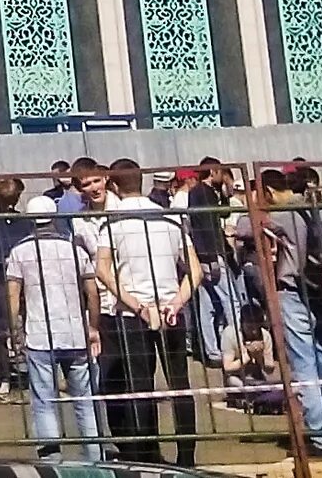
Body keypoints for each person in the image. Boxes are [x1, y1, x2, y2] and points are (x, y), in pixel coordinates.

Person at [226, 164, 322, 458]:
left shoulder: (281, 215)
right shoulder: (321, 211)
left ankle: (321, 437)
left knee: (304, 364)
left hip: (294, 292)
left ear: (269, 192)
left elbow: (246, 227)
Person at [91, 163, 201, 469]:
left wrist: (133, 302)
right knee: (180, 383)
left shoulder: (112, 224)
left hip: (133, 313)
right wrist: (177, 302)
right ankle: (186, 457)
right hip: (170, 311)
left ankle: (145, 455)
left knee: (140, 385)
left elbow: (102, 269)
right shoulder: (170, 218)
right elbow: (195, 270)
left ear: (113, 185)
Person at [2, 196, 101, 457]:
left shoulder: (20, 252)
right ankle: (95, 460)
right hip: (75, 333)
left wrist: (15, 330)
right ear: (55, 217)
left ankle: (52, 462)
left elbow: (13, 295)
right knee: (85, 402)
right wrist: (93, 326)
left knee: (44, 403)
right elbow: (92, 291)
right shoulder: (74, 250)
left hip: (40, 335)